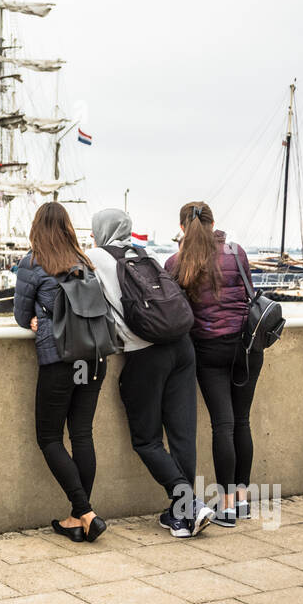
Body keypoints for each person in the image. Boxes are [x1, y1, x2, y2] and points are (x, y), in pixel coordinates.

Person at [89, 208, 212, 538]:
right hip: (183, 347)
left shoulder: (95, 258)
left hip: (146, 354)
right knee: (182, 434)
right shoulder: (146, 253)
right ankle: (182, 515)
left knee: (146, 439)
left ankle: (189, 505)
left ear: (100, 231)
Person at [13, 202, 108, 544]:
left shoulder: (33, 262)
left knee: (49, 438)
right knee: (82, 433)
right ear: (68, 227)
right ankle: (77, 519)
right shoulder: (85, 262)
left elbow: (21, 316)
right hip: (93, 359)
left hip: (60, 361)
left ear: (37, 228)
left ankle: (85, 512)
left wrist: (39, 320)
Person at [165, 201, 260, 527]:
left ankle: (228, 505)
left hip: (208, 351)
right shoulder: (236, 251)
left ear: (182, 228)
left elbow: (172, 311)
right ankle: (243, 500)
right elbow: (249, 292)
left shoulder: (177, 261)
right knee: (242, 421)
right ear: (213, 223)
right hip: (246, 347)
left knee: (223, 424)